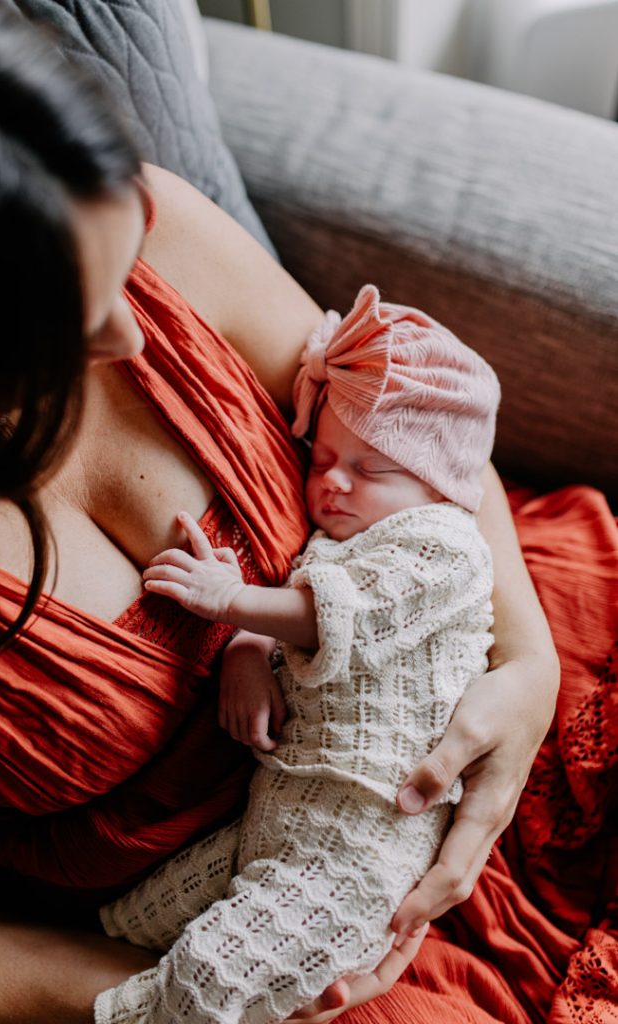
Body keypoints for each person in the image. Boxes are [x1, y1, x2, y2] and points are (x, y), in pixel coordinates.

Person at [0, 2, 560, 1022]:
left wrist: (528, 667)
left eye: (124, 255)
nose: (136, 336)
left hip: (440, 680)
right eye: (68, 318)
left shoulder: (152, 222)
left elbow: (420, 431)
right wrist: (164, 999)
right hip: (200, 941)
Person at [93, 284, 501, 1024]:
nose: (333, 483)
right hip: (276, 817)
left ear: (442, 486)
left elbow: (330, 613)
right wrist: (245, 650)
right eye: (323, 458)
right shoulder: (340, 540)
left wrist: (229, 599)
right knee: (131, 921)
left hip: (361, 845)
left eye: (372, 470)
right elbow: (300, 615)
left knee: (212, 975)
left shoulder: (447, 550)